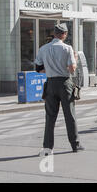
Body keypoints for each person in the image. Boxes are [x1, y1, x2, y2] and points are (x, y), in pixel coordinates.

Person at [35, 23, 84, 155]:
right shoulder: (67, 48)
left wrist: (51, 70)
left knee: (50, 117)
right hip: (65, 83)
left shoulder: (43, 48)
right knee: (70, 115)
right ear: (64, 34)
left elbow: (39, 69)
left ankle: (47, 147)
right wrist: (75, 59)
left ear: (54, 33)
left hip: (50, 83)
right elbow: (72, 69)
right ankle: (75, 144)